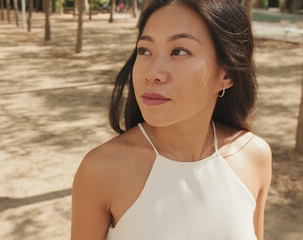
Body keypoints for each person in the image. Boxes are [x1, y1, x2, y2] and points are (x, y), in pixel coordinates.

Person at [71, 0, 272, 240]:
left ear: (227, 73)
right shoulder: (101, 170)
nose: (151, 73)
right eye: (144, 50)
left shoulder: (254, 156)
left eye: (179, 51)